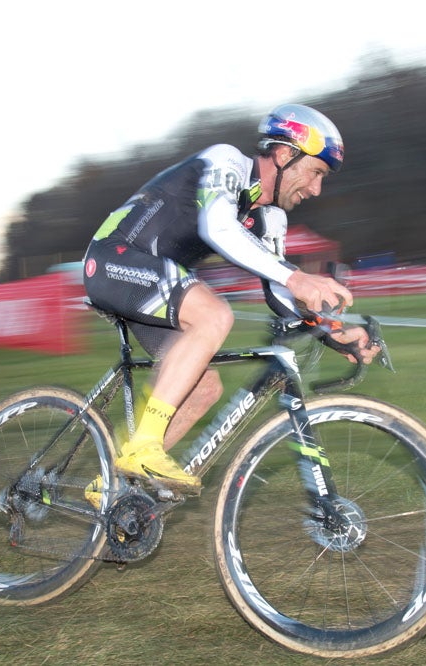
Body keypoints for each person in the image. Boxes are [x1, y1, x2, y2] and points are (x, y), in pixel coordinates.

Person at [82, 103, 379, 506]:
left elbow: (280, 295)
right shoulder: (226, 164)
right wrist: (297, 276)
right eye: (316, 172)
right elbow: (217, 226)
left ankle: (111, 486)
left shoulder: (271, 219)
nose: (315, 189)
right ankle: (144, 447)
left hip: (151, 278)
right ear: (284, 153)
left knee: (203, 389)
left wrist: (336, 331)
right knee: (215, 315)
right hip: (113, 257)